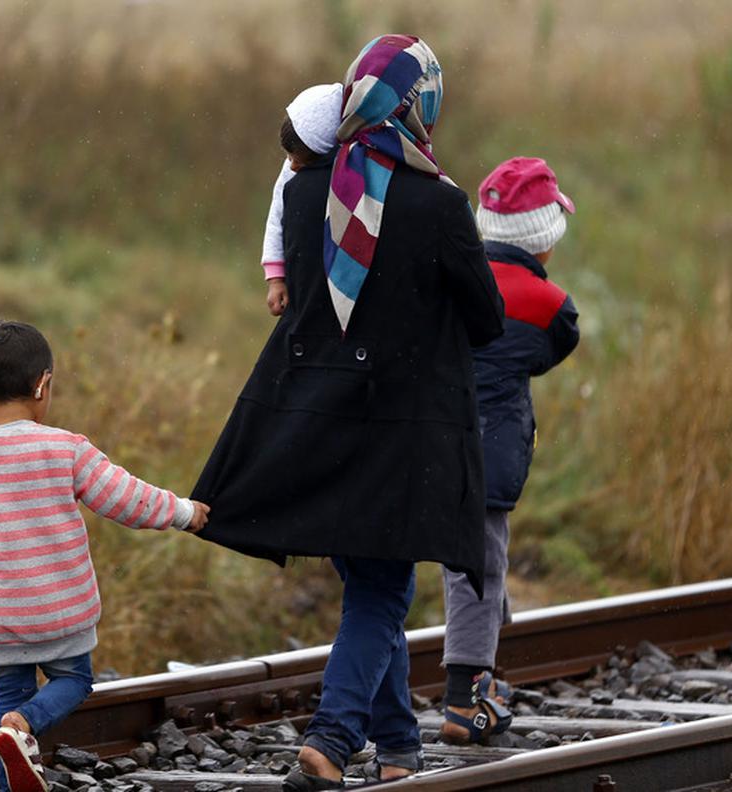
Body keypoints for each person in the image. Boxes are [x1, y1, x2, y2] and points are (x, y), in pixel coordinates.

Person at [191, 35, 504, 790]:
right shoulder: (439, 201)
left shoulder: (304, 194)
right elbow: (487, 316)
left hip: (314, 426)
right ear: (419, 105)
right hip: (400, 437)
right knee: (382, 588)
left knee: (370, 577)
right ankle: (332, 739)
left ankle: (397, 748)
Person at [0, 320, 210, 792]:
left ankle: (12, 766)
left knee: (10, 693)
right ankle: (25, 724)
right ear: (43, 385)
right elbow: (127, 499)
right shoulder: (65, 450)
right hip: (60, 609)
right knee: (74, 681)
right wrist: (184, 513)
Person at [440, 157, 581, 744]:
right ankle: (462, 701)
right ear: (545, 238)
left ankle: (484, 680)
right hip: (491, 453)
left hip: (432, 442)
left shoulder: (448, 282)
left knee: (474, 563)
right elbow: (550, 350)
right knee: (478, 567)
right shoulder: (550, 304)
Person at [259, 82, 344, 319]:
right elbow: (277, 218)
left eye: (300, 161)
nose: (292, 166)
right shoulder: (290, 170)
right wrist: (276, 278)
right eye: (288, 158)